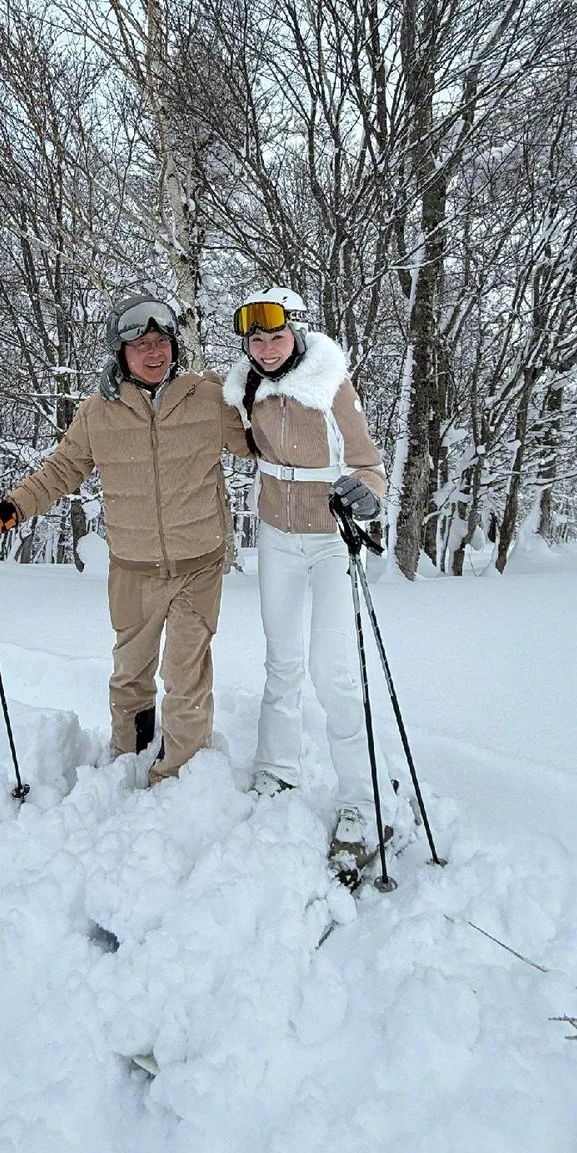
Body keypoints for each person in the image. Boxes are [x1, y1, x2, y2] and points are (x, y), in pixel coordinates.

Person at [0, 289, 250, 784]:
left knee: (185, 677)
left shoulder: (210, 397)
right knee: (130, 676)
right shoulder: (98, 412)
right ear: (121, 353)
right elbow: (59, 472)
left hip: (197, 566)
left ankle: (179, 776)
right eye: (142, 345)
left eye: (163, 341)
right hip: (132, 570)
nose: (155, 353)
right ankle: (129, 757)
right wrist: (2, 515)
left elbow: (262, 443)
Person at [223, 285, 390, 884]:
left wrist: (367, 492)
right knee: (282, 660)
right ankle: (276, 767)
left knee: (333, 670)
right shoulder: (243, 387)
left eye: (276, 335)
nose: (266, 348)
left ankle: (363, 802)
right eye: (256, 339)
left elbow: (370, 462)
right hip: (276, 535)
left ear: (296, 332)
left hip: (331, 538)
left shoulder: (331, 383)